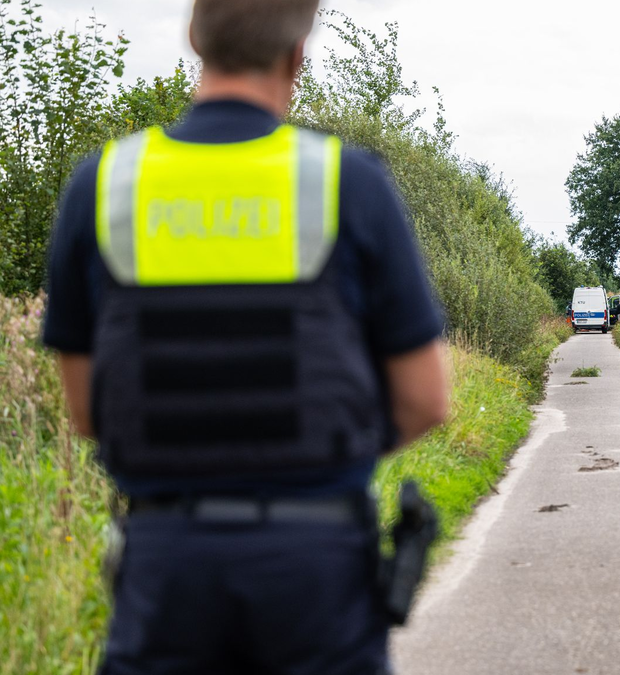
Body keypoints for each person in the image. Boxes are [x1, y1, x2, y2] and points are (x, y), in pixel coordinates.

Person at [42, 1, 449, 672]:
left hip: (166, 566)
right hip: (315, 565)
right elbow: (426, 400)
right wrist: (321, 448)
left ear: (195, 41)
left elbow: (88, 414)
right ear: (297, 55)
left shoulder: (103, 185)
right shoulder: (349, 183)